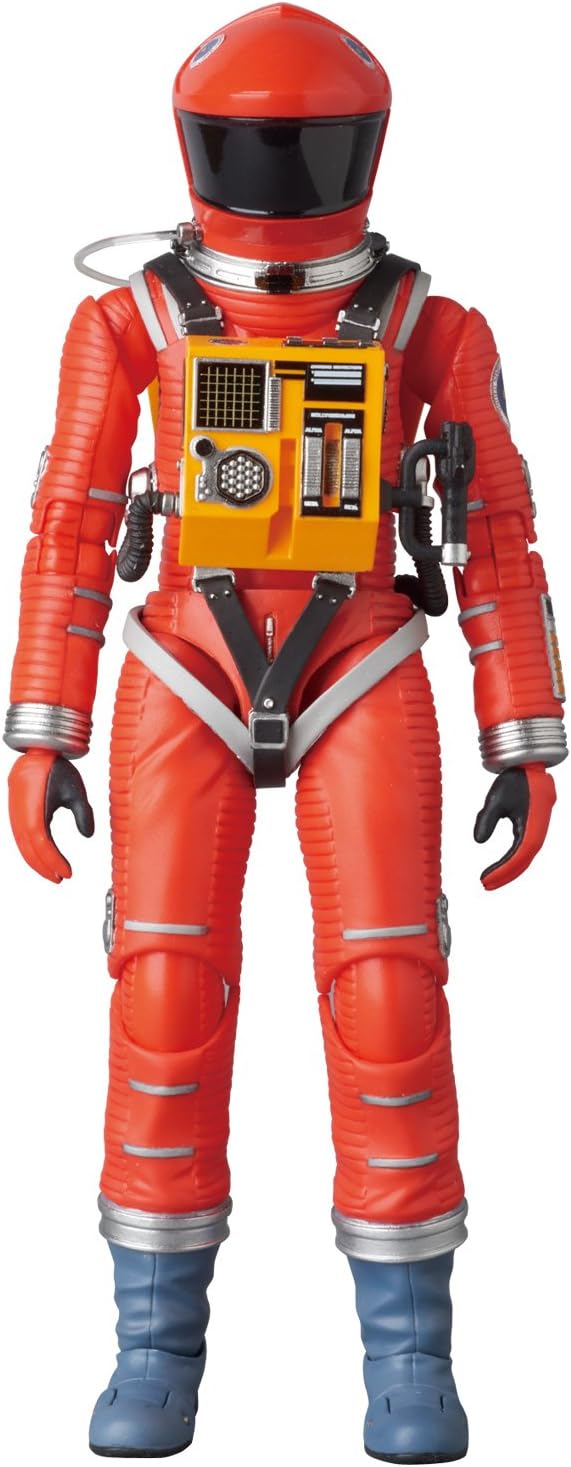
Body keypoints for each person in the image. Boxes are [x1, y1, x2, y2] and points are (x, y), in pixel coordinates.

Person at [5, 6, 566, 1461]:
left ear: (366, 152)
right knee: (163, 989)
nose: (276, 175)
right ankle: (154, 1349)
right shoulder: (130, 323)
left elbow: (496, 533)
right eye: (253, 146)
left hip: (362, 648)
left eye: (304, 146)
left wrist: (524, 735)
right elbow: (73, 524)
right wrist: (43, 725)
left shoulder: (431, 327)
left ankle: (410, 1357)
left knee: (390, 993)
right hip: (184, 656)